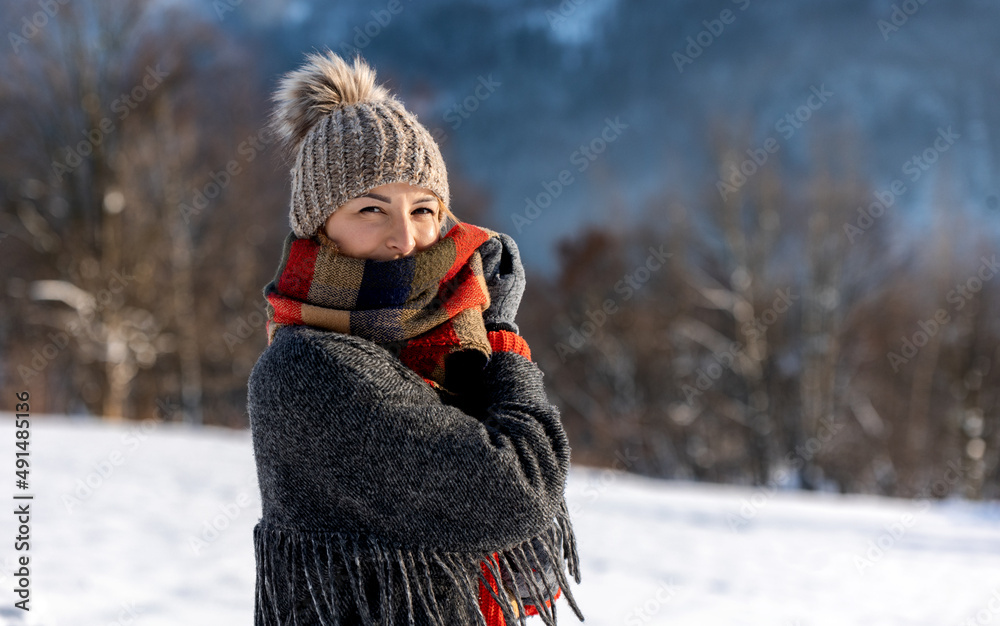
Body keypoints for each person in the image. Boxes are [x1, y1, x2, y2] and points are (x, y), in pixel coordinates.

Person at [247, 50, 585, 625]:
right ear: (319, 225)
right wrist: (502, 338)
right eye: (372, 209)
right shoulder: (308, 366)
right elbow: (518, 492)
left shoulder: (447, 338)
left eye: (423, 209)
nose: (404, 238)